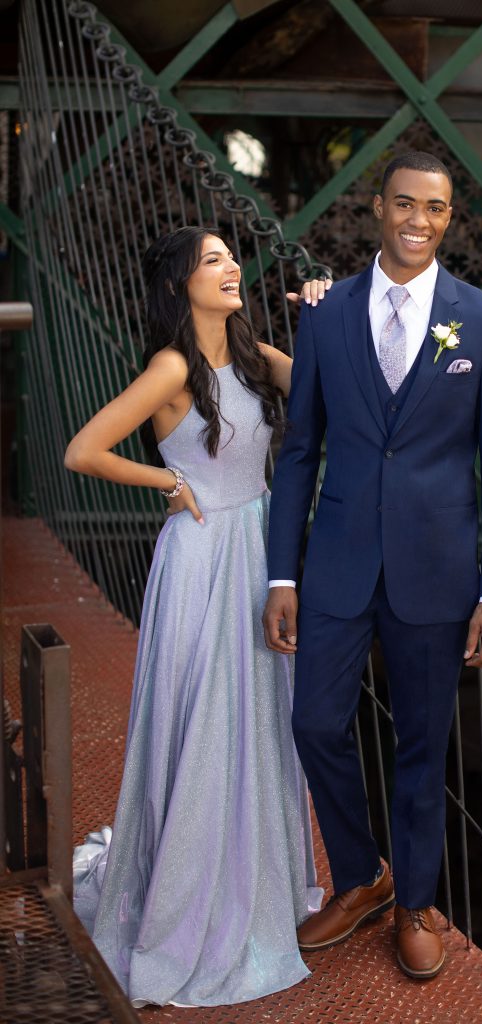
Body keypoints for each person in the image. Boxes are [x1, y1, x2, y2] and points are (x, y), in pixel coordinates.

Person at [263, 150, 482, 980]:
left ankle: (413, 901)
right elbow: (300, 450)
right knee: (312, 723)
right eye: (404, 204)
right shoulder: (326, 312)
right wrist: (282, 574)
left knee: (421, 744)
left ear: (450, 219)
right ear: (378, 207)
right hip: (336, 561)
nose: (418, 221)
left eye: (435, 210)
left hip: (439, 574)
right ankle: (360, 874)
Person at [65, 225, 323, 1007]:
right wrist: (166, 482)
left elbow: (327, 385)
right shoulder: (171, 366)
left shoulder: (251, 356)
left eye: (230, 256)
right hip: (201, 557)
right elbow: (83, 451)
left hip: (258, 548)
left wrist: (320, 315)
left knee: (258, 719)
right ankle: (188, 900)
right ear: (181, 283)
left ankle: (254, 882)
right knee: (205, 719)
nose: (232, 266)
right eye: (213, 260)